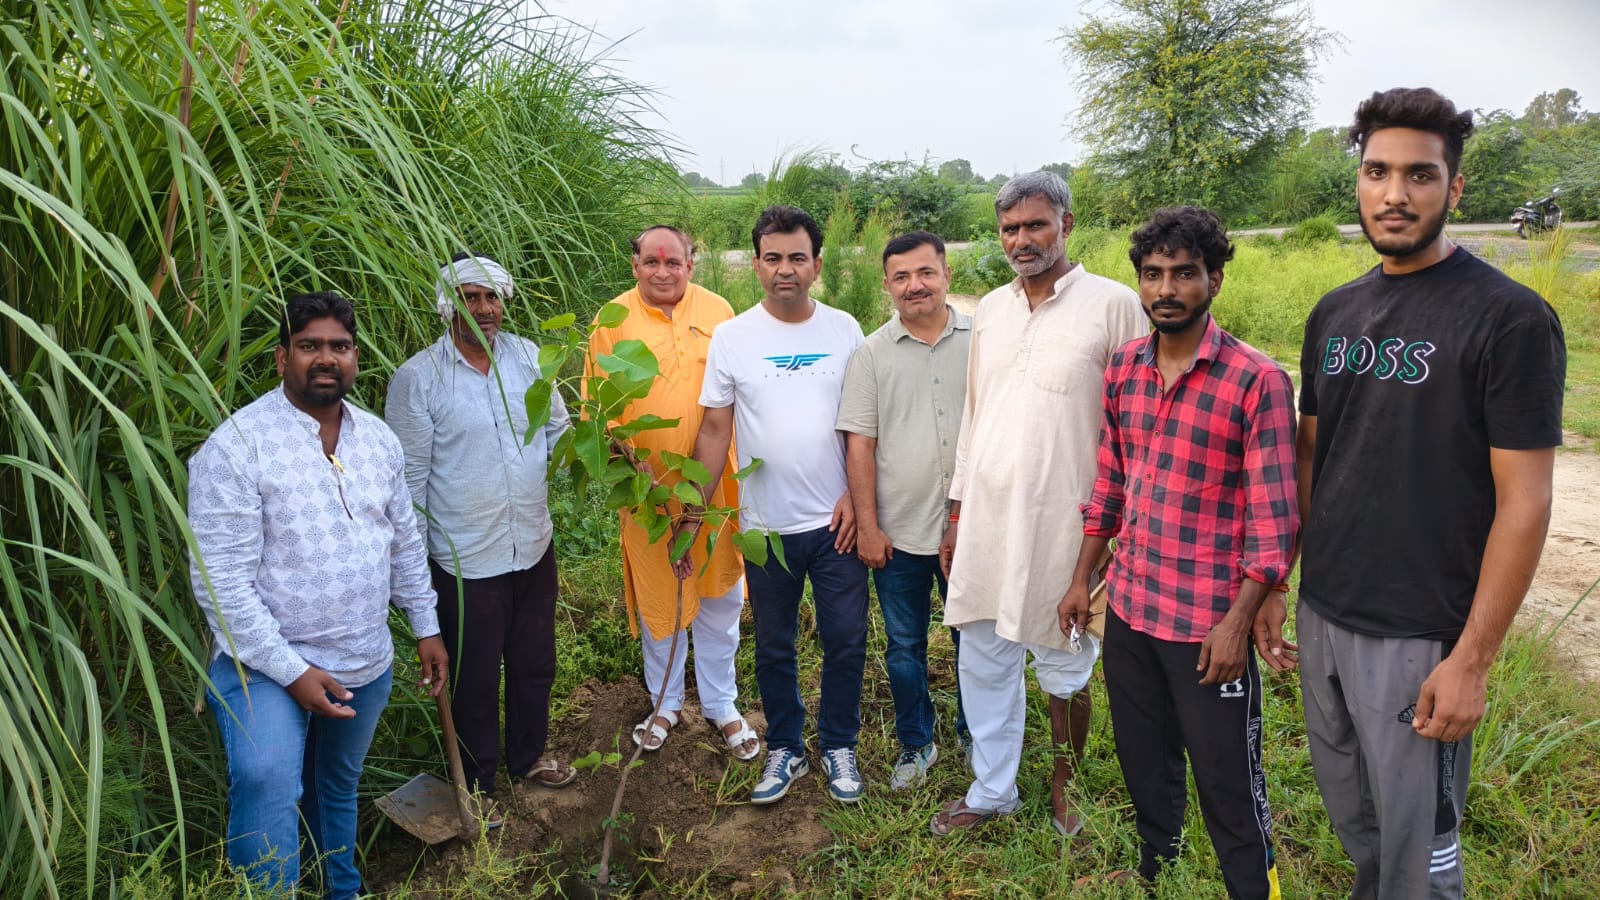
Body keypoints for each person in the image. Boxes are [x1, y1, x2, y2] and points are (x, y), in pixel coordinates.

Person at [1297, 87, 1564, 898]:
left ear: (1454, 187)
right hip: (1326, 617)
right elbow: (1314, 459)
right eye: (1378, 171)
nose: (1394, 193)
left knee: (1422, 857)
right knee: (1359, 826)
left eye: (1420, 174)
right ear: (1359, 180)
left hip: (1418, 635)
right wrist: (1282, 584)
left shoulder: (1508, 319)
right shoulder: (1334, 311)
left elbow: (1527, 501)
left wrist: (1472, 661)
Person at [1061, 207, 1296, 896]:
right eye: (1153, 274)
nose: (1166, 289)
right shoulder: (1126, 369)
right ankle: (1155, 871)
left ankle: (1255, 888)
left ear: (1214, 279)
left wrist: (1236, 621)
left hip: (1206, 627)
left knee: (1228, 780)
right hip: (1132, 610)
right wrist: (1083, 579)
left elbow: (1273, 522)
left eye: (1184, 274)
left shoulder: (1256, 380)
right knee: (1144, 760)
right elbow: (1110, 486)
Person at [188, 291, 448, 899]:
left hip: (364, 658)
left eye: (339, 346)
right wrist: (294, 671)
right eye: (309, 347)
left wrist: (426, 626)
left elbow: (404, 543)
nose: (325, 358)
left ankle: (342, 889)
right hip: (266, 667)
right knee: (268, 778)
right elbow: (219, 581)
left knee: (336, 784)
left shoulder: (378, 440)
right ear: (282, 359)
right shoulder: (238, 445)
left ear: (356, 359)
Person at [931, 171, 1145, 836]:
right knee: (984, 656)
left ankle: (1064, 784)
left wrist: (1113, 531)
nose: (1022, 240)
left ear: (1067, 225)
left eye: (1035, 225)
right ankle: (993, 790)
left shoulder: (1114, 306)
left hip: (1069, 524)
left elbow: (1135, 427)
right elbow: (975, 414)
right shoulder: (991, 309)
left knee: (1063, 663)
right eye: (1010, 229)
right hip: (988, 518)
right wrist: (957, 512)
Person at [680, 204, 870, 805]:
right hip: (766, 529)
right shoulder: (733, 338)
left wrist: (857, 499)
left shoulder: (844, 330)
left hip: (837, 524)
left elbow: (866, 425)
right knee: (775, 644)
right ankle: (786, 746)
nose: (784, 269)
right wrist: (690, 516)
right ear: (756, 265)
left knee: (845, 639)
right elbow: (714, 432)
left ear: (816, 264)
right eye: (772, 258)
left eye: (796, 258)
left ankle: (839, 744)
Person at [385, 254, 575, 823]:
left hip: (532, 545)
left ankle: (528, 755)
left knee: (534, 660)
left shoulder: (527, 359)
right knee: (471, 674)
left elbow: (559, 434)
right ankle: (478, 780)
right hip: (465, 559)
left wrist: (604, 455)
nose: (486, 309)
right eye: (471, 297)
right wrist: (413, 580)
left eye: (492, 298)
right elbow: (409, 486)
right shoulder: (419, 379)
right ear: (449, 305)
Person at [586, 225, 758, 760]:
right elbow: (600, 414)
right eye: (651, 262)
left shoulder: (720, 312)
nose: (663, 272)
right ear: (634, 263)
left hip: (716, 485)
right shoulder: (612, 321)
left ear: (691, 263)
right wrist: (633, 473)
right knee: (662, 597)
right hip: (647, 491)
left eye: (674, 262)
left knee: (718, 596)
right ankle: (664, 704)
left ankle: (720, 704)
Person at [836, 230, 971, 790]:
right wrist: (868, 526)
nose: (915, 285)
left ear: (946, 274)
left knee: (976, 642)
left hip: (972, 529)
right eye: (901, 277)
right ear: (887, 285)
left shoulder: (983, 339)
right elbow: (860, 443)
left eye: (925, 272)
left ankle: (977, 736)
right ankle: (917, 743)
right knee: (905, 646)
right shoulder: (870, 353)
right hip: (899, 533)